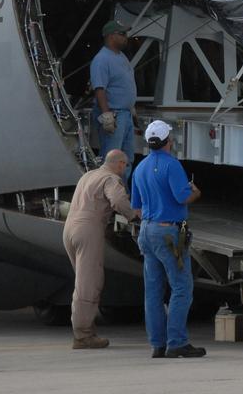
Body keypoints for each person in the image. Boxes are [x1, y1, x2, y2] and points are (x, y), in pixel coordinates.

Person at [131, 120, 205, 358]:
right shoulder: (172, 165)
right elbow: (182, 197)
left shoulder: (140, 167)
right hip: (168, 232)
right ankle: (177, 342)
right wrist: (195, 192)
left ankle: (158, 344)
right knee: (181, 287)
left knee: (152, 290)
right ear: (168, 142)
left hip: (146, 231)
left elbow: (137, 208)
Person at [62, 149, 140, 349]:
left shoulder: (89, 175)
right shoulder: (111, 179)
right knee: (89, 283)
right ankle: (83, 335)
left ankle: (86, 329)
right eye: (125, 165)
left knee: (82, 280)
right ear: (120, 164)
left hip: (69, 229)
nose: (125, 169)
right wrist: (134, 215)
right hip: (88, 230)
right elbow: (118, 200)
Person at [91, 20, 138, 186]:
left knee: (126, 158)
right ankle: (108, 195)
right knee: (112, 158)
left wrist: (131, 109)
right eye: (122, 34)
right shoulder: (101, 59)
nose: (126, 37)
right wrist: (106, 115)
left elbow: (124, 85)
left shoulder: (121, 56)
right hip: (115, 115)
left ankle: (122, 193)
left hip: (125, 113)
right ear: (111, 36)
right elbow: (99, 89)